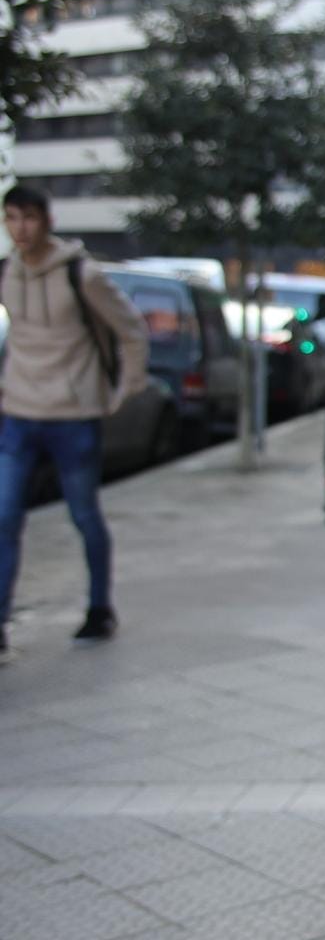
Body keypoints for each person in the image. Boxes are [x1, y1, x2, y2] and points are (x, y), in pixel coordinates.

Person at [0, 183, 149, 663]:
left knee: (83, 515)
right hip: (19, 412)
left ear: (46, 220)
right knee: (4, 518)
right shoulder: (6, 273)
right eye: (10, 219)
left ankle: (99, 607)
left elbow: (130, 329)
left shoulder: (80, 275)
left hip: (74, 415)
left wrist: (125, 388)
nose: (19, 229)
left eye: (27, 218)